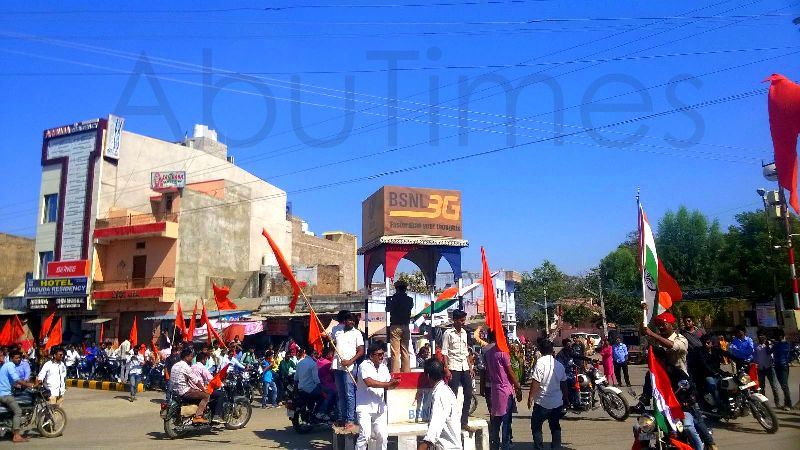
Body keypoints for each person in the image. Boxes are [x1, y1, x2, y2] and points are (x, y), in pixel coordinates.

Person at [355, 341, 400, 450]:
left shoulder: (384, 367)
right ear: (371, 355)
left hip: (380, 406)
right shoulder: (364, 365)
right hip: (364, 406)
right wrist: (389, 384)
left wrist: (394, 383)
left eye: (383, 354)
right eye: (379, 354)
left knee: (383, 436)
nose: (382, 357)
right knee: (365, 436)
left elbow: (388, 384)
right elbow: (369, 383)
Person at [527, 340, 567, 450]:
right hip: (557, 403)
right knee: (555, 426)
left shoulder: (540, 363)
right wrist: (566, 399)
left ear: (540, 350)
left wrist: (530, 397)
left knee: (536, 426)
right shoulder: (559, 365)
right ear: (552, 351)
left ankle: (539, 447)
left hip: (542, 402)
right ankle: (556, 447)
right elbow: (563, 384)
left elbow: (536, 382)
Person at [484, 331, 522, 450]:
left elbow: (486, 371)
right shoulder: (503, 353)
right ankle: (505, 446)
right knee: (506, 423)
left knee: (495, 421)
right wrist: (518, 386)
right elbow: (510, 372)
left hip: (495, 390)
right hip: (505, 390)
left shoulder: (489, 353)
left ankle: (494, 446)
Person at [441, 309, 475, 432]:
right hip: (453, 367)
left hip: (464, 367)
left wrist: (470, 367)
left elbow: (466, 352)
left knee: (469, 393)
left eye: (464, 320)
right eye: (461, 320)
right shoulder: (448, 333)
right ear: (455, 320)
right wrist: (446, 369)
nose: (463, 322)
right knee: (452, 395)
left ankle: (464, 422)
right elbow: (444, 352)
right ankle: (451, 421)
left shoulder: (465, 333)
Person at [418, 358, 462, 450]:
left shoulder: (440, 394)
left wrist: (423, 446)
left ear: (428, 376)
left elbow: (435, 427)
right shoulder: (443, 390)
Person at [332, 310, 364, 431]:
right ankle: (343, 418)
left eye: (352, 320)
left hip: (349, 367)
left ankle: (350, 420)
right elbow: (331, 341)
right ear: (344, 321)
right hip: (337, 365)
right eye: (348, 320)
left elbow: (361, 350)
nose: (350, 322)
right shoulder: (337, 331)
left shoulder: (357, 333)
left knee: (349, 393)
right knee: (340, 394)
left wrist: (350, 361)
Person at [0, 349, 35, 442]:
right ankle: (16, 436)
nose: (18, 359)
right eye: (16, 358)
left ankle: (10, 431)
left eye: (19, 358)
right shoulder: (10, 365)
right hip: (5, 394)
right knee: (18, 411)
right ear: (11, 358)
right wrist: (29, 385)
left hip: (5, 392)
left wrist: (19, 386)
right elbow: (17, 379)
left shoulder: (7, 366)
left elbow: (11, 381)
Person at [169, 347, 210, 424]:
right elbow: (196, 380)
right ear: (186, 357)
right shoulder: (186, 367)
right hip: (184, 391)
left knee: (197, 391)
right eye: (191, 356)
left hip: (174, 391)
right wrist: (203, 389)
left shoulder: (175, 365)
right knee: (206, 396)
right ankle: (198, 416)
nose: (192, 358)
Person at [386, 279, 414, 373]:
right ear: (405, 289)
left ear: (396, 289)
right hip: (406, 326)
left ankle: (396, 373)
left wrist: (389, 300)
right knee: (405, 351)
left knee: (395, 352)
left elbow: (388, 309)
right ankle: (407, 372)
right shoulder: (410, 300)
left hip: (395, 326)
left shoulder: (394, 299)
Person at [295, 347, 329, 420]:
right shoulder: (313, 364)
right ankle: (319, 413)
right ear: (312, 354)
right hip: (310, 388)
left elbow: (296, 378)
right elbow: (316, 380)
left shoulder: (300, 362)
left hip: (300, 388)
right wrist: (322, 389)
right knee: (325, 396)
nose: (317, 356)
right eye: (315, 354)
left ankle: (313, 411)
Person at [770, 329, 793, 410]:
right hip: (780, 366)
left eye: (776, 335)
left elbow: (768, 351)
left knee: (784, 385)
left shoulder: (783, 344)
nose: (774, 337)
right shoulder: (786, 344)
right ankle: (787, 403)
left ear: (780, 336)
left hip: (782, 366)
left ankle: (788, 404)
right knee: (784, 385)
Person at [755, 332, 780, 402]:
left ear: (765, 336)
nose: (761, 337)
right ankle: (764, 403)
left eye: (762, 336)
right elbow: (754, 356)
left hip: (769, 367)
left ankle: (777, 402)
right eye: (759, 336)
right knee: (762, 387)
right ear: (758, 337)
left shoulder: (770, 344)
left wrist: (769, 344)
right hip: (760, 369)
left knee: (774, 386)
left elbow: (774, 353)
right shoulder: (755, 345)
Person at [317, 347, 337, 415]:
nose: (332, 355)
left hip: (320, 383)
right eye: (331, 354)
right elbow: (334, 374)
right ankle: (330, 411)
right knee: (338, 393)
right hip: (327, 384)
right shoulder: (328, 363)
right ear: (328, 354)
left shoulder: (318, 361)